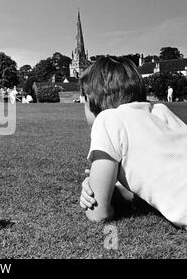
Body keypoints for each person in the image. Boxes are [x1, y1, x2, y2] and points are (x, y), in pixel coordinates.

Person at [78, 56, 187, 229]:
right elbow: (152, 182)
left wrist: (92, 185)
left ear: (91, 99)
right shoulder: (160, 111)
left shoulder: (108, 119)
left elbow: (98, 213)